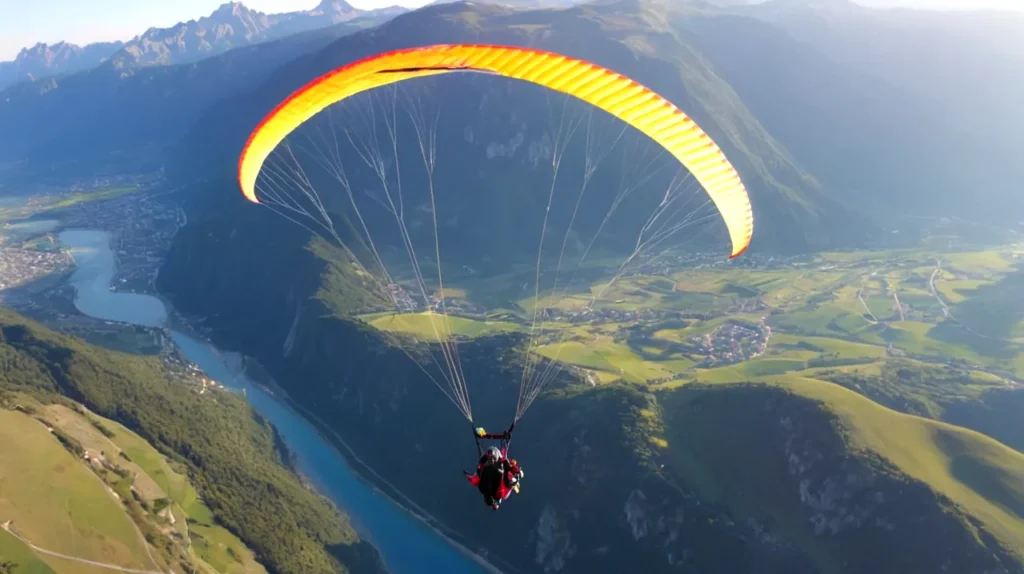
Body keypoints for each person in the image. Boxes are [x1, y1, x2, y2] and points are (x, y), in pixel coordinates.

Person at [465, 426, 524, 510]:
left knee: (498, 466)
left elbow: (474, 479)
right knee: (502, 466)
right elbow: (504, 457)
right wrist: (506, 441)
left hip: (492, 473)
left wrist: (468, 476)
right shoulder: (503, 470)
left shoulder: (485, 484)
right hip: (495, 472)